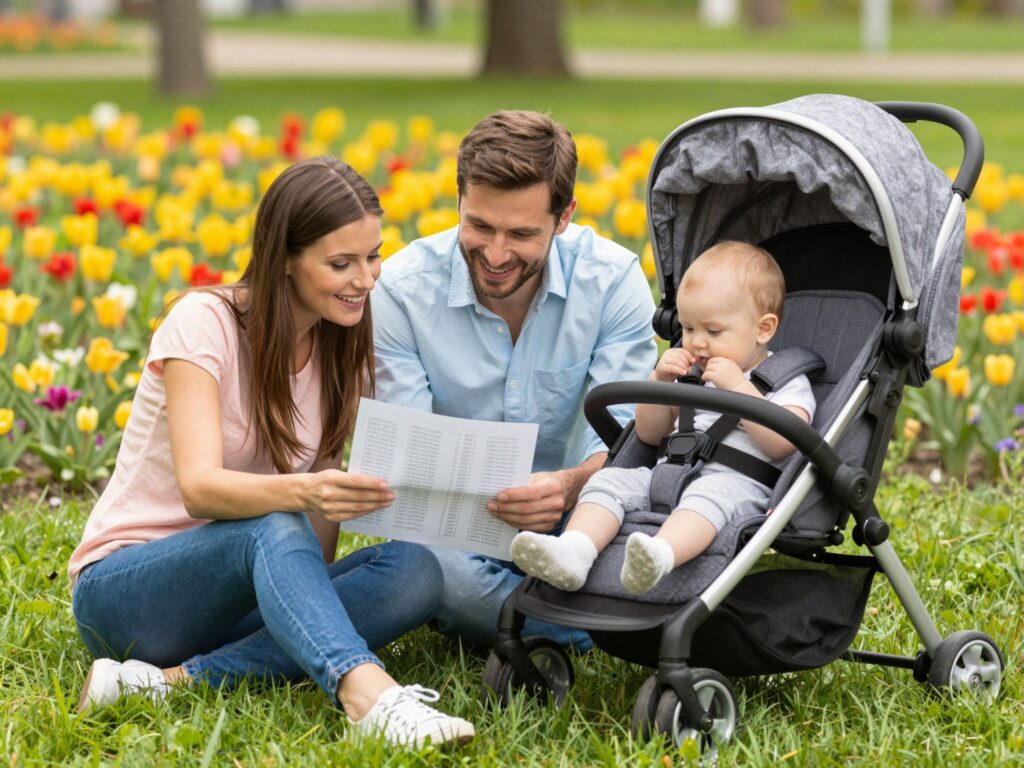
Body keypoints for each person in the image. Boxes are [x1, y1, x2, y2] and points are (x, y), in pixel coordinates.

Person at [68, 157, 474, 749]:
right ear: (285, 258)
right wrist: (306, 494)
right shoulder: (203, 323)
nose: (365, 278)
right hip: (129, 595)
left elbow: (318, 517)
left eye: (373, 256)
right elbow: (200, 488)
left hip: (244, 592)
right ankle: (371, 698)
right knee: (274, 522)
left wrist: (320, 550)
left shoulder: (341, 345)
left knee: (415, 571)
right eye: (341, 263)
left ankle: (168, 683)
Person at [372, 111, 658, 649]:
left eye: (522, 233)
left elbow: (627, 447)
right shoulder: (400, 291)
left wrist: (566, 485)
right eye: (480, 226)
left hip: (585, 515)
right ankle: (591, 631)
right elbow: (405, 455)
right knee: (429, 568)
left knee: (657, 537)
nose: (497, 254)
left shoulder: (612, 281)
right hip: (454, 528)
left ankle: (521, 616)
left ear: (564, 216)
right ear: (459, 200)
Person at [510, 241, 816, 595]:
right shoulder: (691, 374)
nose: (697, 343)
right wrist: (660, 383)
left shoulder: (786, 380)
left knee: (707, 497)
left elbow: (784, 444)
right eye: (687, 329)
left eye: (713, 332)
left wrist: (737, 388)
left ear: (763, 329)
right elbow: (650, 434)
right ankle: (575, 550)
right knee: (608, 483)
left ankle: (660, 555)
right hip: (667, 474)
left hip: (736, 484)